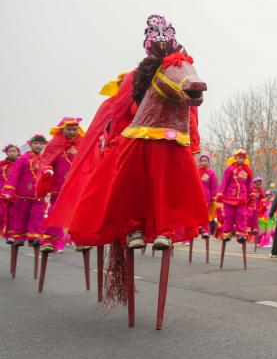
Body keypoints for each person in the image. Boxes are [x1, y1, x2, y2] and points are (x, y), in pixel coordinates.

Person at [65, 24, 207, 251]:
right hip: (136, 139)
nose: (162, 45)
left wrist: (194, 146)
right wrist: (116, 144)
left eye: (166, 41)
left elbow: (189, 114)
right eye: (157, 42)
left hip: (170, 139)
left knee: (170, 186)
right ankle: (133, 229)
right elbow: (120, 115)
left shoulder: (178, 65)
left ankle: (166, 230)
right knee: (131, 185)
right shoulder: (137, 76)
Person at [36, 117, 84, 250]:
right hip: (58, 184)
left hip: (76, 184)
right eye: (69, 129)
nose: (72, 132)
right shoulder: (54, 143)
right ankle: (49, 240)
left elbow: (89, 159)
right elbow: (46, 160)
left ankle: (80, 239)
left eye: (75, 129)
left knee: (77, 211)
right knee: (55, 211)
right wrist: (47, 169)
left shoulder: (82, 143)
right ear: (62, 130)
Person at [2, 135, 48, 249]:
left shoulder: (45, 159)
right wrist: (8, 190)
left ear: (44, 145)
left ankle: (34, 237)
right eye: (36, 143)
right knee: (20, 216)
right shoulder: (23, 158)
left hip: (39, 194)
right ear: (30, 145)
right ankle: (19, 237)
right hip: (22, 194)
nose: (38, 146)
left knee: (37, 216)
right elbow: (14, 175)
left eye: (41, 144)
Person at [216, 149, 253, 242]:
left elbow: (249, 184)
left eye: (243, 158)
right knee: (228, 216)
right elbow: (224, 182)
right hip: (229, 197)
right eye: (239, 157)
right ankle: (226, 234)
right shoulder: (229, 169)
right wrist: (220, 193)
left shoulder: (247, 171)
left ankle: (241, 234)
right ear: (235, 158)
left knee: (241, 215)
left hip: (242, 198)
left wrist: (251, 193)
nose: (241, 159)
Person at [197, 153, 219, 238]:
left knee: (205, 214)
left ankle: (205, 231)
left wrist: (214, 197)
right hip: (196, 196)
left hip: (206, 197)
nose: (204, 162)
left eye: (205, 160)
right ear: (199, 162)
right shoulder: (196, 171)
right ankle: (193, 230)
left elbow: (214, 186)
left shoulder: (211, 173)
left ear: (209, 162)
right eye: (202, 161)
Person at [1, 144, 19, 243]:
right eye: (10, 151)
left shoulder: (21, 163)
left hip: (16, 193)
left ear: (18, 152)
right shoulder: (1, 164)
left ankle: (11, 235)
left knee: (13, 215)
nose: (12, 153)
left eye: (14, 151)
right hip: (2, 193)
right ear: (6, 153)